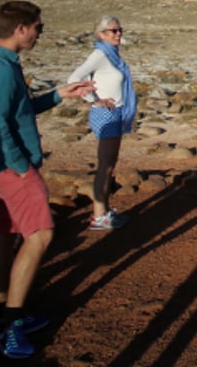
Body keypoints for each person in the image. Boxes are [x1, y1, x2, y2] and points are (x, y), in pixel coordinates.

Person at [0, 1, 95, 359]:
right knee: (40, 234)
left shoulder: (3, 65)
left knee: (3, 235)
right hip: (11, 169)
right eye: (38, 28)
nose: (41, 33)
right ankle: (10, 324)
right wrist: (22, 167)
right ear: (21, 29)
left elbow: (18, 111)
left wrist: (60, 94)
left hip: (1, 167)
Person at [67, 15, 138, 231]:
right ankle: (99, 216)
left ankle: (103, 212)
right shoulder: (100, 54)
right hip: (106, 113)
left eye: (119, 30)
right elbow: (73, 79)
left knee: (109, 165)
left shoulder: (112, 55)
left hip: (115, 112)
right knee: (105, 166)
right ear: (101, 34)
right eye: (112, 31)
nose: (118, 34)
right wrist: (93, 99)